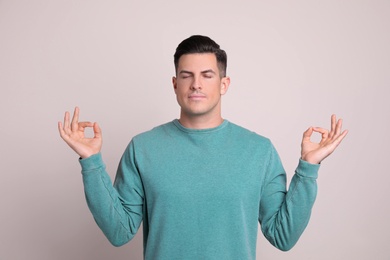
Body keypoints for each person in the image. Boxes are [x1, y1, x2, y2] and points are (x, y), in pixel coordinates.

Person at [58, 35, 348, 260]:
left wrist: (308, 169)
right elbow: (119, 232)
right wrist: (91, 161)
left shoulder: (259, 151)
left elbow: (283, 236)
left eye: (207, 75)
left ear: (224, 84)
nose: (196, 84)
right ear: (175, 84)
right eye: (187, 75)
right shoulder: (143, 148)